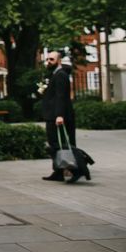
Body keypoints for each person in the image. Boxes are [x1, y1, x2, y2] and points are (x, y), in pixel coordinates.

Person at [41, 50, 76, 181]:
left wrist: (59, 115)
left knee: (57, 144)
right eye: (47, 59)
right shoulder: (54, 74)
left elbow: (61, 97)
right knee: (55, 144)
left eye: (51, 59)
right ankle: (59, 170)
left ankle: (65, 170)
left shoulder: (60, 75)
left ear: (59, 61)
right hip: (52, 115)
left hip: (56, 116)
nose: (48, 62)